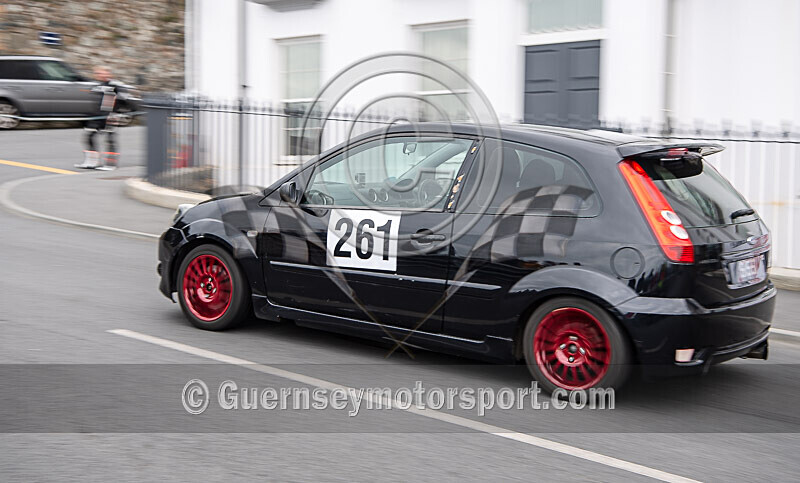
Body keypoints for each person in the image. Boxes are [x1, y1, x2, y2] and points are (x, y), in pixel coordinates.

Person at [75, 66, 123, 170]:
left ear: (109, 74)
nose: (100, 75)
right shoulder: (97, 85)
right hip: (96, 116)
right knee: (89, 136)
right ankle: (92, 162)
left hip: (110, 116)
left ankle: (110, 164)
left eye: (102, 73)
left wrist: (114, 113)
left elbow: (119, 101)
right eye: (97, 73)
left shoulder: (114, 86)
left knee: (110, 139)